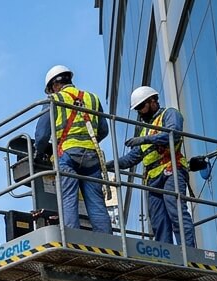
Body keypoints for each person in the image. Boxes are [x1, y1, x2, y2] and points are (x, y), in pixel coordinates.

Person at [34, 64, 112, 234]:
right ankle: (108, 243)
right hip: (92, 156)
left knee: (68, 199)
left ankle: (71, 239)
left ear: (54, 86)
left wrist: (38, 152)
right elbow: (103, 130)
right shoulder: (92, 98)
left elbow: (41, 136)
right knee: (97, 203)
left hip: (67, 156)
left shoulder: (54, 100)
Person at [117, 85, 197, 247]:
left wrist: (146, 140)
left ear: (153, 101)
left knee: (176, 213)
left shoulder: (169, 114)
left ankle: (189, 252)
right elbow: (132, 158)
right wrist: (111, 165)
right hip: (152, 179)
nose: (140, 112)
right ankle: (165, 255)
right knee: (158, 221)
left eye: (141, 107)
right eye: (137, 109)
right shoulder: (145, 130)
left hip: (170, 169)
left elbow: (173, 135)